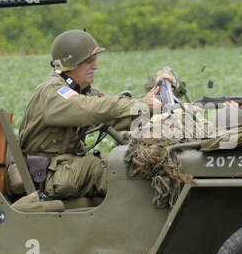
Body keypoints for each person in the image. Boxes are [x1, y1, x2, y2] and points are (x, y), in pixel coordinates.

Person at [16, 30, 162, 199]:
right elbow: (90, 108)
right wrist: (142, 105)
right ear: (71, 63)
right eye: (89, 61)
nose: (95, 67)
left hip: (63, 171)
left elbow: (113, 113)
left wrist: (156, 109)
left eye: (95, 60)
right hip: (46, 178)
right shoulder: (53, 91)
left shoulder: (80, 91)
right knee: (114, 169)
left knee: (131, 161)